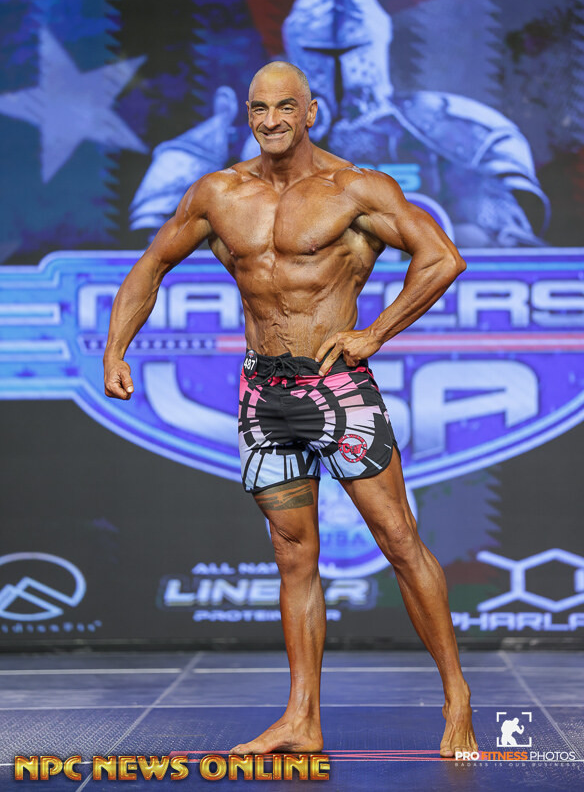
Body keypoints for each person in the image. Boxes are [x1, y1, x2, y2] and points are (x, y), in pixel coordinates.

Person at [103, 60, 478, 758]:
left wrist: (375, 332)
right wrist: (115, 350)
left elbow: (442, 258)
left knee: (398, 538)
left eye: (284, 107)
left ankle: (456, 696)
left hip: (337, 390)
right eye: (259, 108)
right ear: (248, 115)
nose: (271, 120)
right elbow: (151, 265)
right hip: (264, 398)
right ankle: (302, 719)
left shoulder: (354, 188)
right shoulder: (219, 193)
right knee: (292, 555)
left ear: (312, 112)